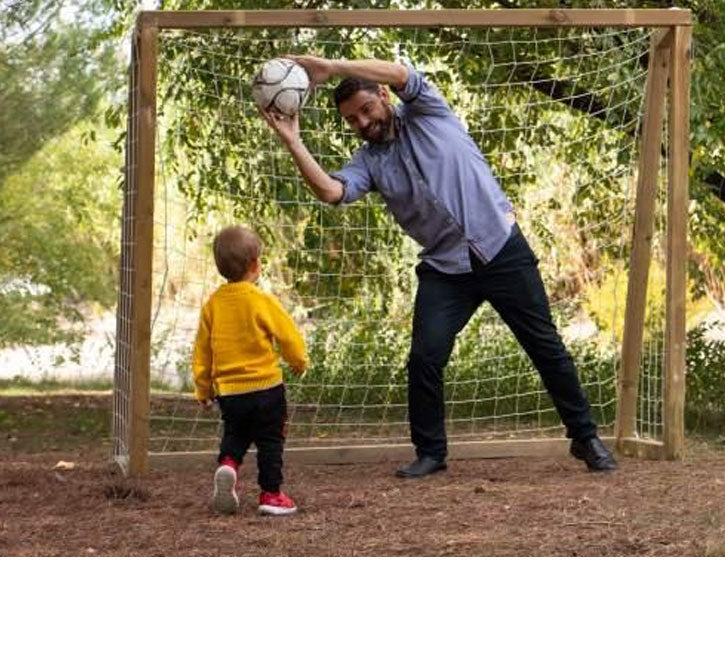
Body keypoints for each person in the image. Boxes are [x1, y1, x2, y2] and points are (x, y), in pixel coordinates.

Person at [259, 56, 617, 478]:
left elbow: (400, 72)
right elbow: (331, 192)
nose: (361, 122)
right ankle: (431, 453)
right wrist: (292, 141)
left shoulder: (428, 109)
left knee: (546, 347)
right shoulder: (369, 162)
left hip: (501, 249)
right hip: (446, 269)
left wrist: (333, 67)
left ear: (383, 96)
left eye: (366, 109)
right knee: (425, 358)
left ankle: (586, 438)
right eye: (352, 119)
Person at [193, 225, 309, 514]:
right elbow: (288, 335)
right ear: (256, 264)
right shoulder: (262, 300)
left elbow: (202, 351)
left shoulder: (212, 305)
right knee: (270, 442)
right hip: (267, 388)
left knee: (235, 434)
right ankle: (271, 495)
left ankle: (228, 465)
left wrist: (203, 388)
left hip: (230, 393)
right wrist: (298, 362)